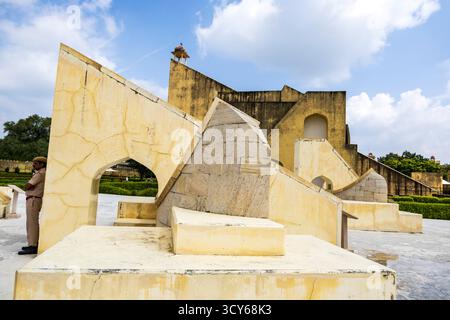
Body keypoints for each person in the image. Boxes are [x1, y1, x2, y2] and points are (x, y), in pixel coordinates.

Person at [18, 157, 47, 255]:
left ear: (42, 164)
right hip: (35, 199)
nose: (33, 165)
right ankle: (32, 243)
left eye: (35, 163)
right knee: (32, 222)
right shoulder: (42, 172)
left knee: (32, 223)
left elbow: (28, 185)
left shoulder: (40, 173)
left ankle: (33, 246)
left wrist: (28, 185)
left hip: (33, 199)